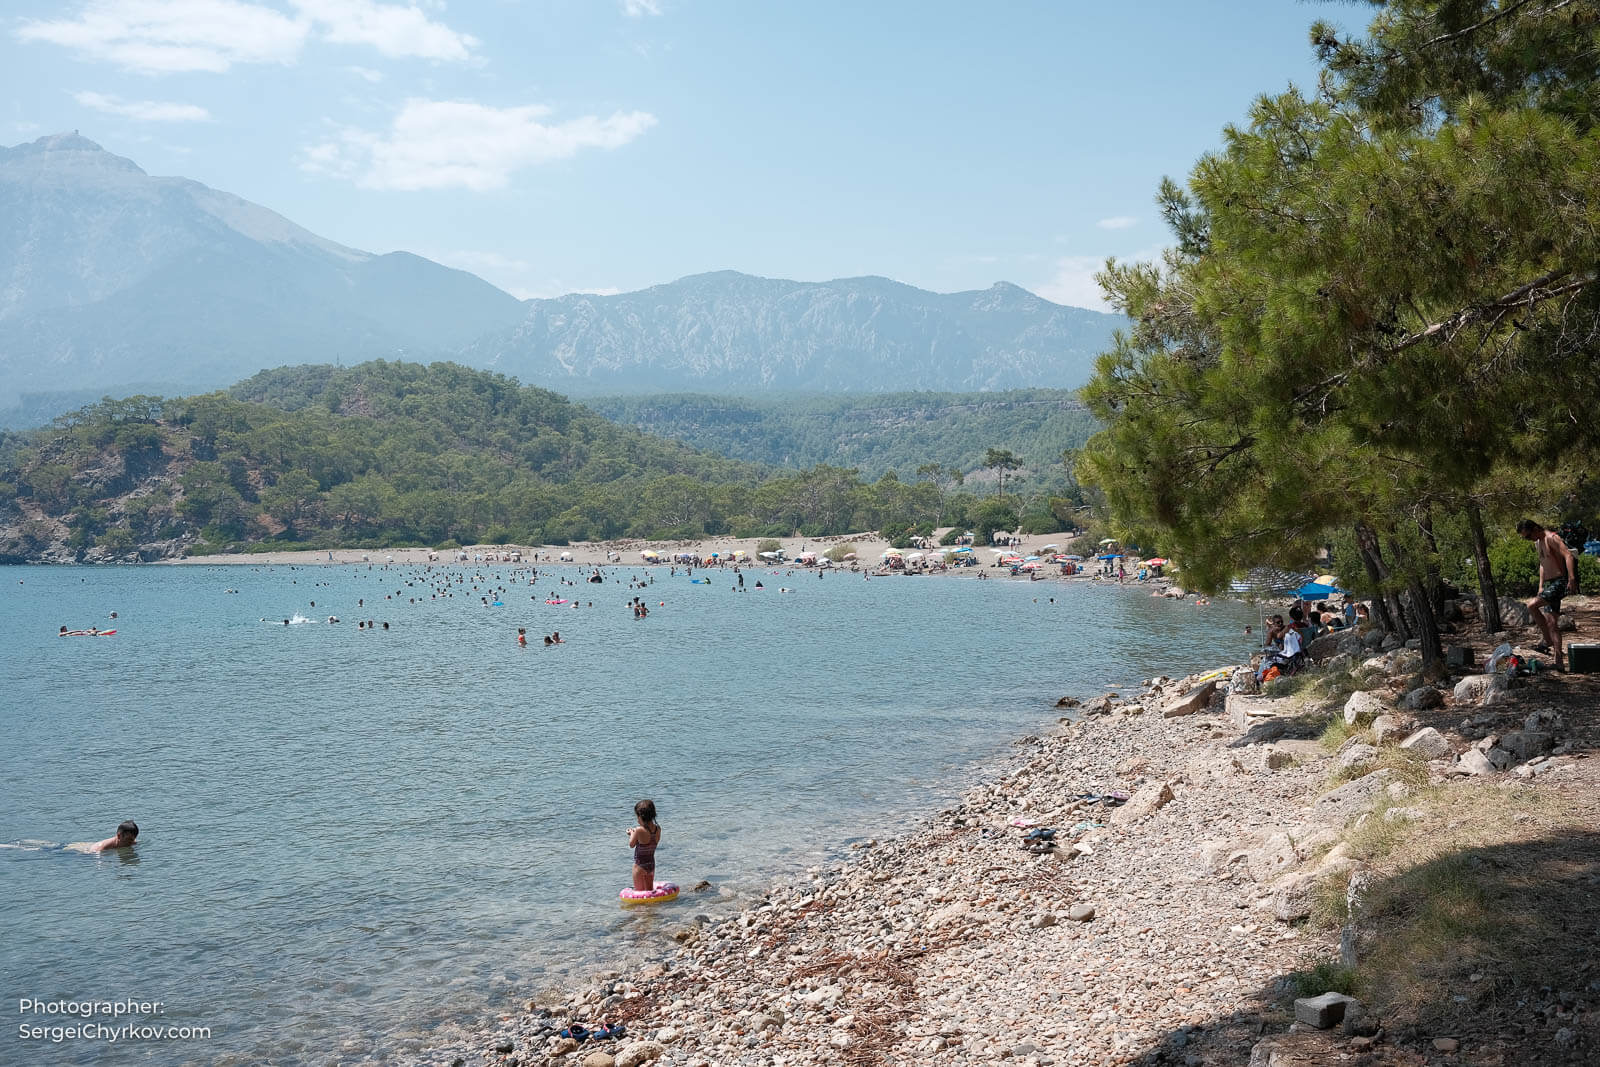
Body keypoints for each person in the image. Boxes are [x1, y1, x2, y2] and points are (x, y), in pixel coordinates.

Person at [1518, 518, 1578, 670]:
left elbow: (1568, 556)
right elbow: (1543, 564)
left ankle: (1547, 641)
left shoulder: (1551, 538)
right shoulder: (1537, 542)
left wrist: (1571, 579)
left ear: (1536, 528)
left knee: (1531, 605)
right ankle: (1559, 662)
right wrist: (1540, 586)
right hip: (1549, 584)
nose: (1528, 539)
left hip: (1560, 581)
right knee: (1552, 623)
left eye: (1528, 535)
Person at [628, 799, 661, 892]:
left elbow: (631, 844)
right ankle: (652, 907)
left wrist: (631, 833)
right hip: (651, 865)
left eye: (637, 816)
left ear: (641, 816)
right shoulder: (658, 829)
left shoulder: (638, 830)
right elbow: (652, 841)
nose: (637, 819)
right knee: (649, 893)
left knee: (639, 893)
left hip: (639, 865)